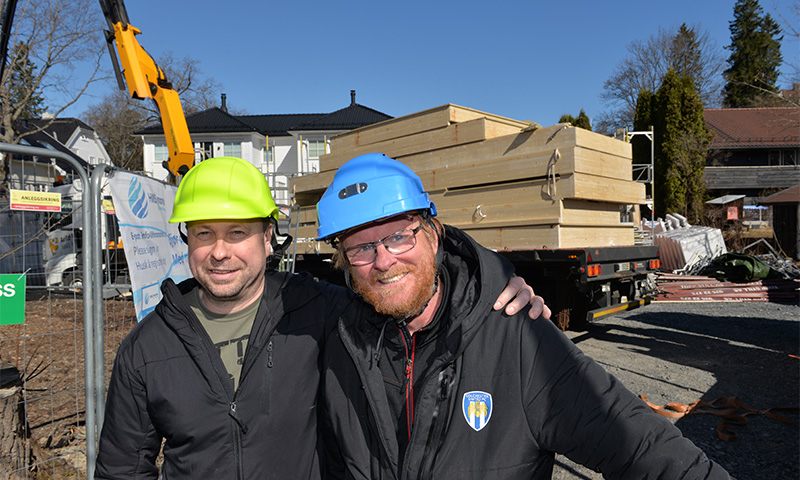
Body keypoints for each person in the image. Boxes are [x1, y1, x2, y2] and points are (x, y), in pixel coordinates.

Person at [94, 156, 548, 479]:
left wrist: (494, 282)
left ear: (269, 238)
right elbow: (122, 470)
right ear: (186, 239)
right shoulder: (147, 348)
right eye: (203, 233)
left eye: (237, 232)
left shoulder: (320, 310)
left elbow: (405, 287)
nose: (219, 251)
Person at [317, 153, 733, 479]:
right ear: (344, 260)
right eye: (361, 248)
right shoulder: (340, 346)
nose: (384, 261)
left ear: (434, 233)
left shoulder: (514, 336)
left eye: (397, 236)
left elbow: (639, 444)